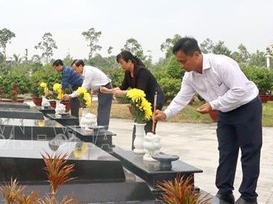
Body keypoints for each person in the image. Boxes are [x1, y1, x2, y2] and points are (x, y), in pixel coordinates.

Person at [153, 37, 262, 204]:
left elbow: (239, 91)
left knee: (249, 151)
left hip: (246, 106)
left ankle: (248, 196)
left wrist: (213, 104)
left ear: (196, 54)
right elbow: (182, 97)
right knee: (226, 151)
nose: (181, 66)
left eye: (183, 61)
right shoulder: (190, 76)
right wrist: (166, 114)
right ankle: (225, 192)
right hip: (225, 110)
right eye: (179, 62)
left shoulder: (221, 64)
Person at [101, 50, 165, 147]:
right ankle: (135, 149)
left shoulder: (142, 71)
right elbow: (123, 87)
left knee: (149, 126)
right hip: (142, 101)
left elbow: (140, 91)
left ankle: (152, 150)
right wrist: (108, 91)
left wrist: (122, 93)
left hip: (154, 99)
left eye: (122, 63)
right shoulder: (128, 73)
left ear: (130, 61)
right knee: (138, 123)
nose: (121, 66)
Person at [71, 59, 113, 128]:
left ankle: (103, 132)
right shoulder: (85, 71)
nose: (75, 72)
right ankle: (100, 130)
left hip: (106, 88)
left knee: (103, 111)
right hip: (102, 89)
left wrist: (71, 96)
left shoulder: (88, 72)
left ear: (80, 66)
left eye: (75, 69)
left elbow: (83, 89)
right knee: (101, 110)